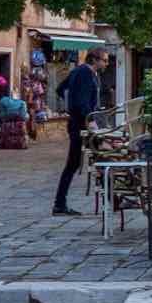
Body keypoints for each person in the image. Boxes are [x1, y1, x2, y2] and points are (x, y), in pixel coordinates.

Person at [52, 51, 104, 216]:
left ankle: (60, 204)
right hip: (82, 125)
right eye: (105, 60)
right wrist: (90, 121)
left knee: (75, 163)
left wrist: (70, 104)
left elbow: (61, 89)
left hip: (77, 123)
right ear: (95, 60)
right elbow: (83, 102)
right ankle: (112, 200)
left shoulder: (78, 71)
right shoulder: (86, 73)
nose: (107, 63)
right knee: (103, 157)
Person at [0, 77, 31, 149]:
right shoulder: (22, 102)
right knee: (27, 116)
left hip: (6, 118)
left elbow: (2, 114)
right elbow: (23, 115)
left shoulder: (3, 100)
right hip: (19, 117)